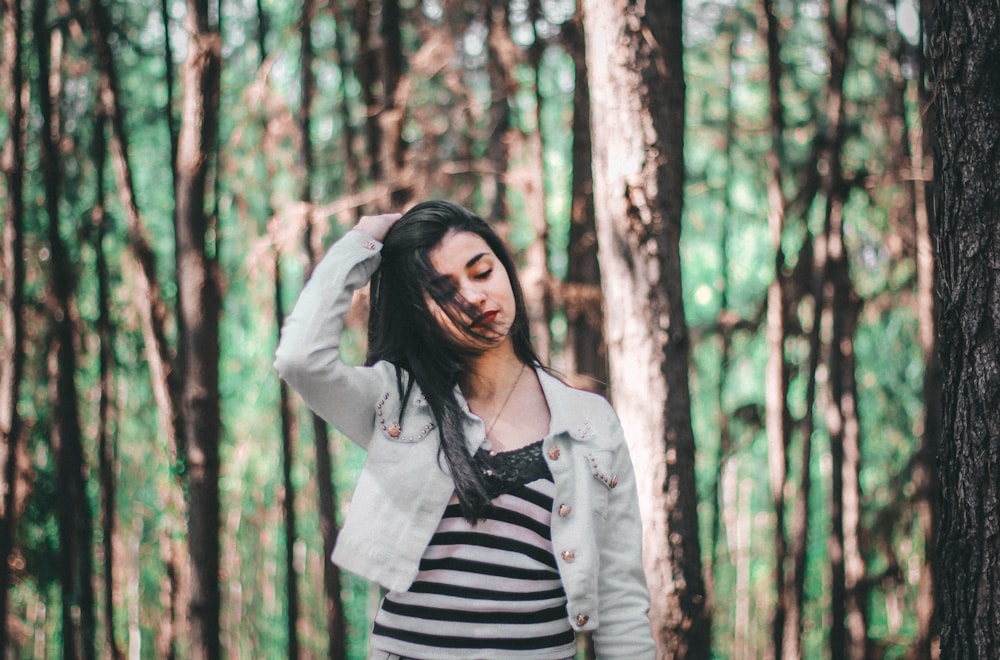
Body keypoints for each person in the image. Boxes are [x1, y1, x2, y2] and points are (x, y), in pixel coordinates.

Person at [274, 200, 655, 659]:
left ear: (505, 271)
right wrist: (363, 242)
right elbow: (299, 359)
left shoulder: (591, 423)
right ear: (420, 311)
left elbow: (619, 597)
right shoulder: (396, 402)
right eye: (444, 290)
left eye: (482, 271)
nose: (474, 298)